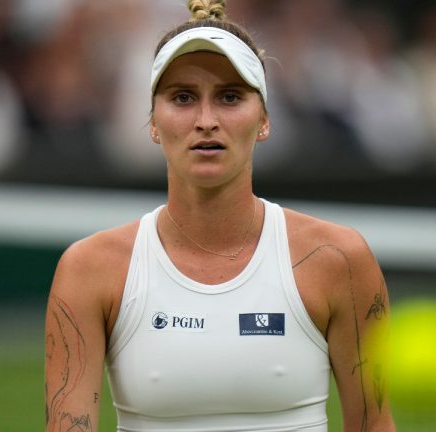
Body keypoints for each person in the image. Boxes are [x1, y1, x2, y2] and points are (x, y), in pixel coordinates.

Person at [44, 1, 396, 431]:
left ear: (264, 120)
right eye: (183, 98)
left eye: (230, 97)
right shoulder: (89, 270)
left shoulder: (339, 260)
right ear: (153, 122)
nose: (206, 121)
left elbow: (374, 425)